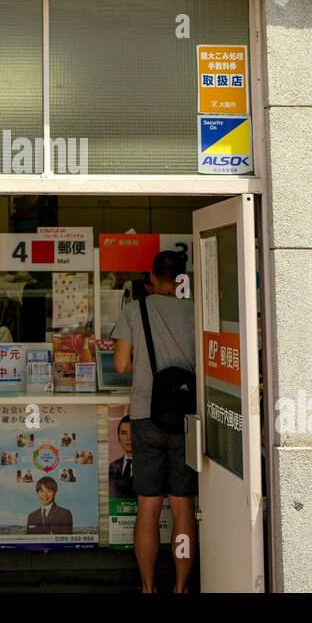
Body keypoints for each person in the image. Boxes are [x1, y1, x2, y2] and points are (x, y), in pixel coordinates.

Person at [112, 250, 197, 593]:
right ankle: (180, 587)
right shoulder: (196, 311)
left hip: (146, 415)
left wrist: (144, 365)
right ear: (182, 278)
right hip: (186, 419)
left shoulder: (135, 310)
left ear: (150, 276)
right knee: (183, 507)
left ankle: (148, 587)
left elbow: (120, 365)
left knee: (148, 507)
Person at [107, 415, 135, 499]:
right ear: (119, 438)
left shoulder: (148, 465)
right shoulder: (113, 466)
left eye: (132, 433)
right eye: (124, 433)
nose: (128, 438)